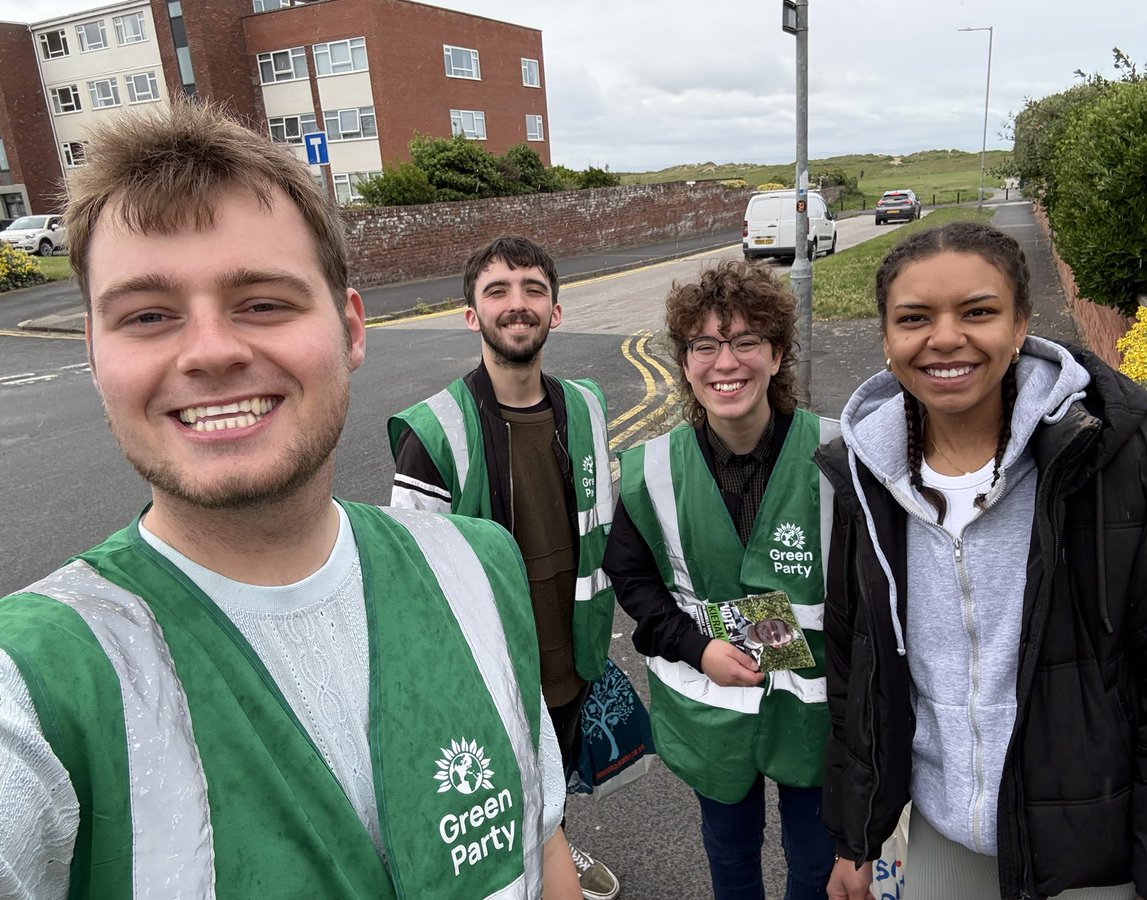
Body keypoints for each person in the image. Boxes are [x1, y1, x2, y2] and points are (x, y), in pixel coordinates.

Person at [0, 101, 581, 900]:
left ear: (350, 329)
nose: (210, 351)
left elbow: (541, 840)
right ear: (95, 355)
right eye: (147, 315)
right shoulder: (33, 681)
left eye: (263, 302)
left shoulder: (479, 563)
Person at [818, 221, 1147, 900]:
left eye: (978, 312)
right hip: (947, 840)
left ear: (1022, 323)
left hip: (1096, 851)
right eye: (914, 318)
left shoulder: (1132, 459)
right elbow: (855, 669)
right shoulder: (865, 475)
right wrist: (858, 838)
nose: (944, 337)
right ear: (886, 339)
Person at [387, 235, 619, 900]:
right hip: (488, 669)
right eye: (498, 291)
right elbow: (413, 582)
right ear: (471, 315)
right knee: (497, 797)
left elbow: (602, 522)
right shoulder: (432, 432)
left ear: (556, 311)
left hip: (570, 653)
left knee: (555, 781)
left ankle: (558, 855)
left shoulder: (588, 406)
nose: (517, 305)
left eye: (533, 290)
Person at [603, 259, 839, 900]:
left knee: (815, 867)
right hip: (712, 709)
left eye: (745, 342)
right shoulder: (648, 471)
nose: (725, 363)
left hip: (814, 712)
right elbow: (632, 578)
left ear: (777, 353)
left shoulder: (837, 458)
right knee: (731, 861)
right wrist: (695, 647)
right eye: (705, 345)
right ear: (684, 362)